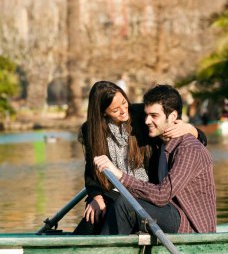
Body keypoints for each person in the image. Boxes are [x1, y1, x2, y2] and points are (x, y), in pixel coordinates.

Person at [74, 81, 207, 235]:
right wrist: (96, 197)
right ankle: (71, 249)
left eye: (124, 102)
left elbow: (193, 138)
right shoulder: (91, 130)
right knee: (95, 213)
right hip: (113, 192)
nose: (124, 111)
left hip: (148, 192)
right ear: (103, 112)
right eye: (115, 110)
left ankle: (99, 253)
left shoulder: (141, 115)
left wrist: (191, 129)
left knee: (122, 205)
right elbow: (92, 172)